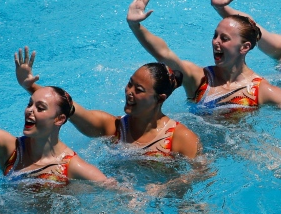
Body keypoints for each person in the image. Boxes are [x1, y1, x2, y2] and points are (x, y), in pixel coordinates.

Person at [126, 0, 281, 151]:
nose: (215, 43)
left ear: (244, 47)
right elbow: (164, 54)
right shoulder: (199, 79)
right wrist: (136, 26)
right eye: (215, 36)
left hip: (239, 154)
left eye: (224, 39)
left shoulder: (260, 90)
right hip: (194, 154)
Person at [15, 47, 200, 159]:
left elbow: (199, 174)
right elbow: (68, 107)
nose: (129, 92)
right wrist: (30, 87)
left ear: (160, 99)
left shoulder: (180, 138)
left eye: (139, 90)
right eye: (129, 84)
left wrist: (163, 188)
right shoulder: (114, 128)